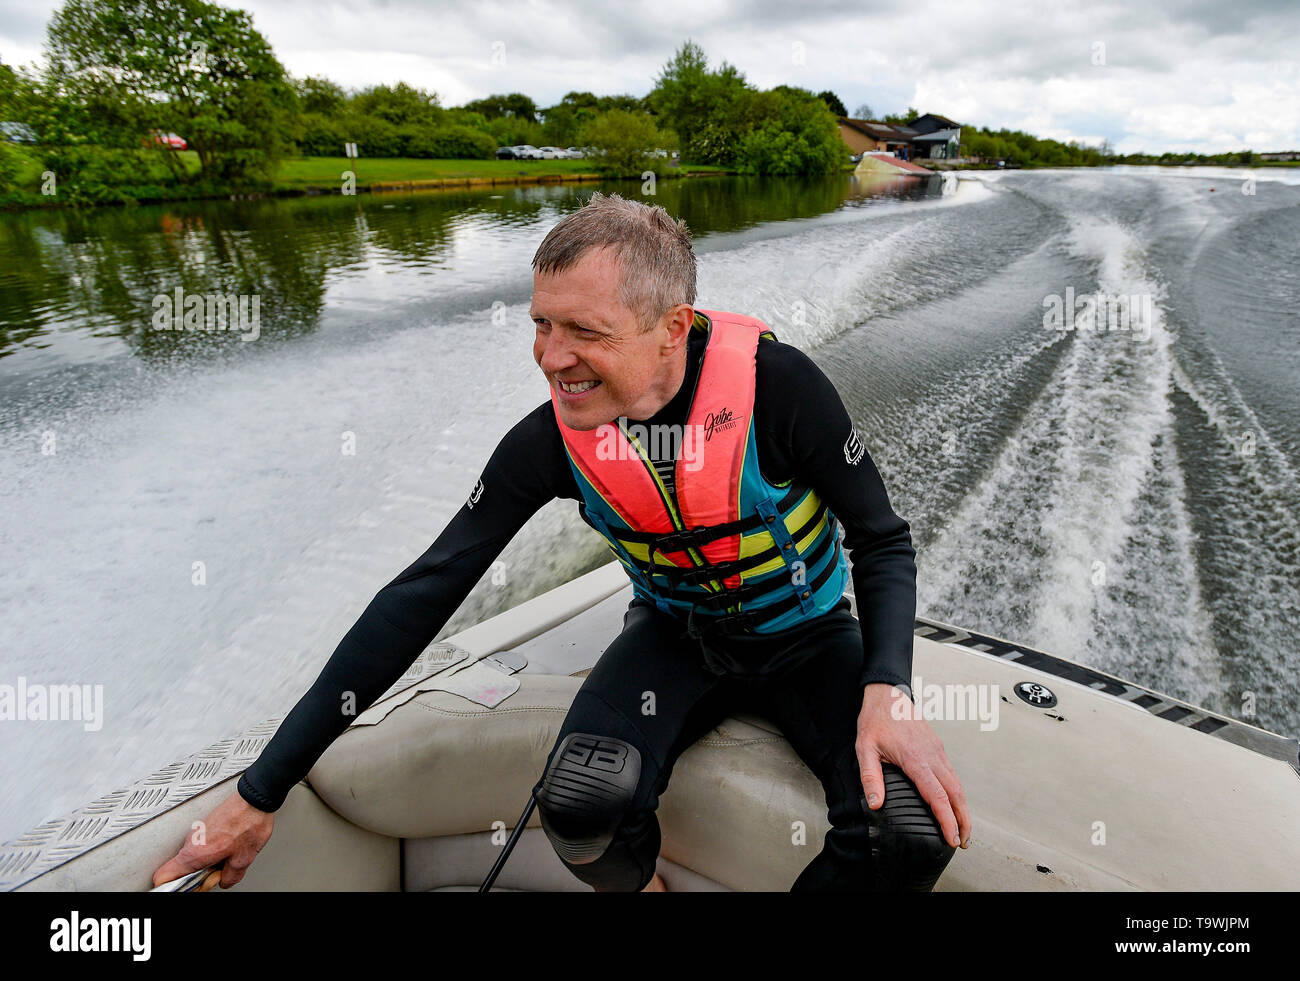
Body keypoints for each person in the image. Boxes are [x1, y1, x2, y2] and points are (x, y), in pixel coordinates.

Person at [153, 192, 970, 892]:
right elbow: (421, 594)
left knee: (906, 831)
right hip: (675, 637)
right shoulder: (549, 441)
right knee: (582, 808)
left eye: (583, 330)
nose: (550, 358)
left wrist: (887, 687)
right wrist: (261, 791)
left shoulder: (781, 393)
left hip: (809, 637)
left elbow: (883, 541)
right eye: (541, 323)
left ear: (671, 327)